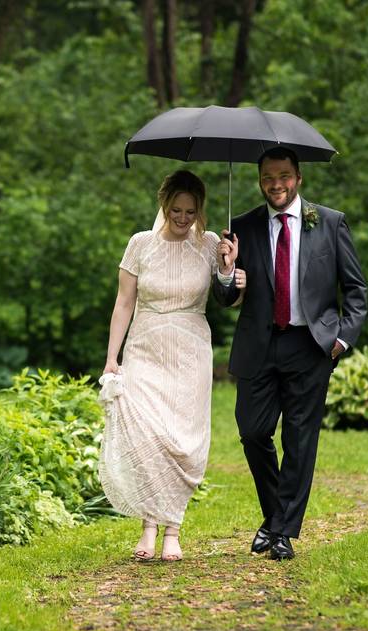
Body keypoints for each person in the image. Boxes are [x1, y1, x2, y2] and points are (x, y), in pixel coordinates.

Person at [213, 146, 367, 560]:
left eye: (283, 176)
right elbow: (226, 298)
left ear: (298, 178)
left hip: (311, 345)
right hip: (258, 345)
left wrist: (342, 338)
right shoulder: (240, 227)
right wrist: (227, 271)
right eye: (267, 178)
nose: (275, 184)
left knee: (300, 439)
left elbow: (356, 289)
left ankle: (281, 531)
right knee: (252, 430)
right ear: (259, 181)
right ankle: (276, 515)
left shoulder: (330, 222)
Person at [98, 170, 247, 562]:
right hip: (145, 347)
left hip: (190, 351)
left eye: (191, 211)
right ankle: (149, 526)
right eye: (176, 209)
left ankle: (173, 530)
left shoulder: (212, 243)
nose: (183, 217)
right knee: (148, 435)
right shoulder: (140, 245)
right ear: (164, 205)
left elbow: (228, 301)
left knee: (182, 441)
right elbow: (124, 303)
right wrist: (112, 358)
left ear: (200, 210)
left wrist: (228, 270)